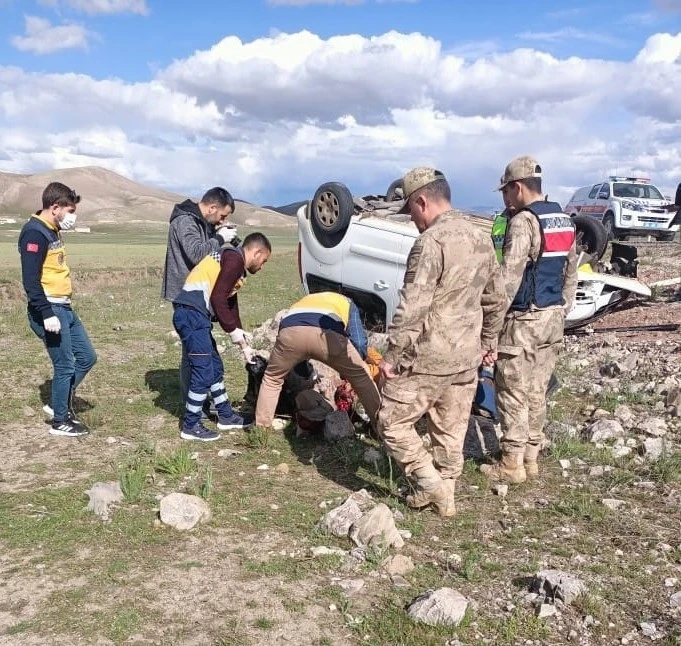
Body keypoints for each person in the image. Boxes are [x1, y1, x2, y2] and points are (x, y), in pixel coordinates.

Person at [376, 168, 506, 517]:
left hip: (429, 355)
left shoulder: (430, 243)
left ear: (422, 201)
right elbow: (496, 298)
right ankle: (445, 494)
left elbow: (413, 304)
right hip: (467, 355)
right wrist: (488, 341)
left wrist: (392, 355)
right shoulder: (480, 237)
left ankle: (430, 483)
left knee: (391, 422)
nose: (413, 221)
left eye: (412, 212)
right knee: (450, 426)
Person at [481, 156, 577, 483]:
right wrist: (562, 309)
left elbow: (509, 279)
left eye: (506, 191)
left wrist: (490, 332)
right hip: (552, 317)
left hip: (523, 319)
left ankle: (511, 464)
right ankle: (531, 458)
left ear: (517, 187)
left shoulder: (523, 222)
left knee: (512, 392)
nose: (504, 199)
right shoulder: (563, 219)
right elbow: (571, 272)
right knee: (537, 390)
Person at [172, 233, 271, 441]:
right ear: (257, 252)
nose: (262, 267)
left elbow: (230, 305)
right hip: (191, 314)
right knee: (203, 370)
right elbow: (218, 298)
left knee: (215, 367)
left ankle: (225, 416)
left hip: (196, 315)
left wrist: (244, 345)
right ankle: (190, 425)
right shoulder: (234, 259)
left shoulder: (234, 263)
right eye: (264, 261)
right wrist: (233, 332)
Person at [18, 182, 97, 437]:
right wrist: (46, 313)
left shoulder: (52, 230)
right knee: (64, 365)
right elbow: (30, 280)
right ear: (55, 208)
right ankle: (60, 420)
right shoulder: (35, 233)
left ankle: (57, 401)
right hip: (50, 309)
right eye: (70, 210)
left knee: (87, 357)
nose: (73, 216)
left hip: (64, 307)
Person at [161, 187, 239, 412]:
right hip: (187, 295)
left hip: (196, 293)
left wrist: (221, 234)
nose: (222, 219)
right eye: (222, 215)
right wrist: (218, 238)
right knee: (193, 352)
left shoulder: (200, 223)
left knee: (194, 349)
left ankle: (200, 398)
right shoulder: (185, 221)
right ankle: (193, 403)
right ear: (212, 207)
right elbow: (196, 254)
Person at [254, 292, 381, 428]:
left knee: (272, 379)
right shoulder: (348, 303)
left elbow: (294, 349)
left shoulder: (304, 301)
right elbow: (360, 343)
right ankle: (380, 428)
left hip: (290, 331)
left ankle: (261, 429)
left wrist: (304, 372)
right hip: (327, 334)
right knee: (361, 377)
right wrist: (349, 370)